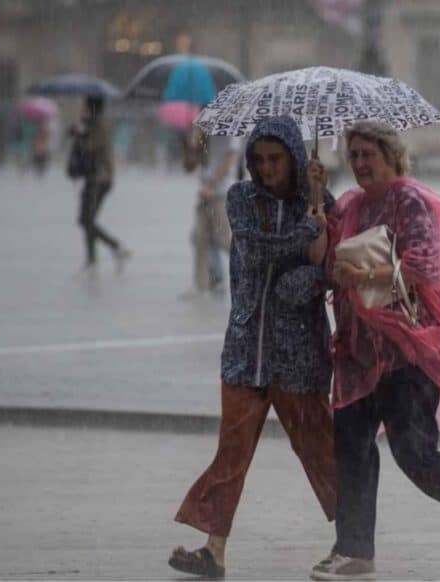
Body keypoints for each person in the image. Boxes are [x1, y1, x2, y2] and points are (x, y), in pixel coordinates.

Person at [311, 121, 440, 580]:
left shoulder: (409, 201)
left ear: (391, 156)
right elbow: (327, 268)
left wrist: (364, 274)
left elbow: (424, 265)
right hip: (357, 352)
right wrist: (316, 210)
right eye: (354, 155)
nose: (360, 163)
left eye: (368, 154)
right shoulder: (347, 206)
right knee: (352, 449)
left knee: (412, 450)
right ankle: (354, 550)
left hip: (407, 350)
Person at [169, 115, 336, 579]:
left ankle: (353, 540)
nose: (266, 168)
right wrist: (305, 234)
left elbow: (327, 267)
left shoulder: (321, 202)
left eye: (275, 159)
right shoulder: (241, 198)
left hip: (300, 353)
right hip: (246, 350)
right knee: (232, 452)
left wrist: (317, 206)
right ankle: (213, 550)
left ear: (295, 158)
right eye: (259, 159)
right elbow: (257, 250)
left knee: (320, 450)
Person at [68, 96, 131, 272]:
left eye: (86, 106)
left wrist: (79, 135)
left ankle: (114, 248)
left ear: (92, 107)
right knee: (87, 219)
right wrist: (81, 131)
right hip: (95, 177)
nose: (83, 109)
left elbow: (91, 148)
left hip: (100, 178)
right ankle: (93, 259)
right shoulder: (93, 124)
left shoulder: (100, 125)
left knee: (86, 219)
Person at [178, 125, 241, 300]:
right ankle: (200, 286)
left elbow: (230, 158)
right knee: (200, 238)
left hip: (221, 192)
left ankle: (251, 273)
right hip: (204, 192)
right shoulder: (205, 130)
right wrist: (193, 141)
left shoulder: (232, 130)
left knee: (224, 240)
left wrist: (212, 184)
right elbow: (190, 165)